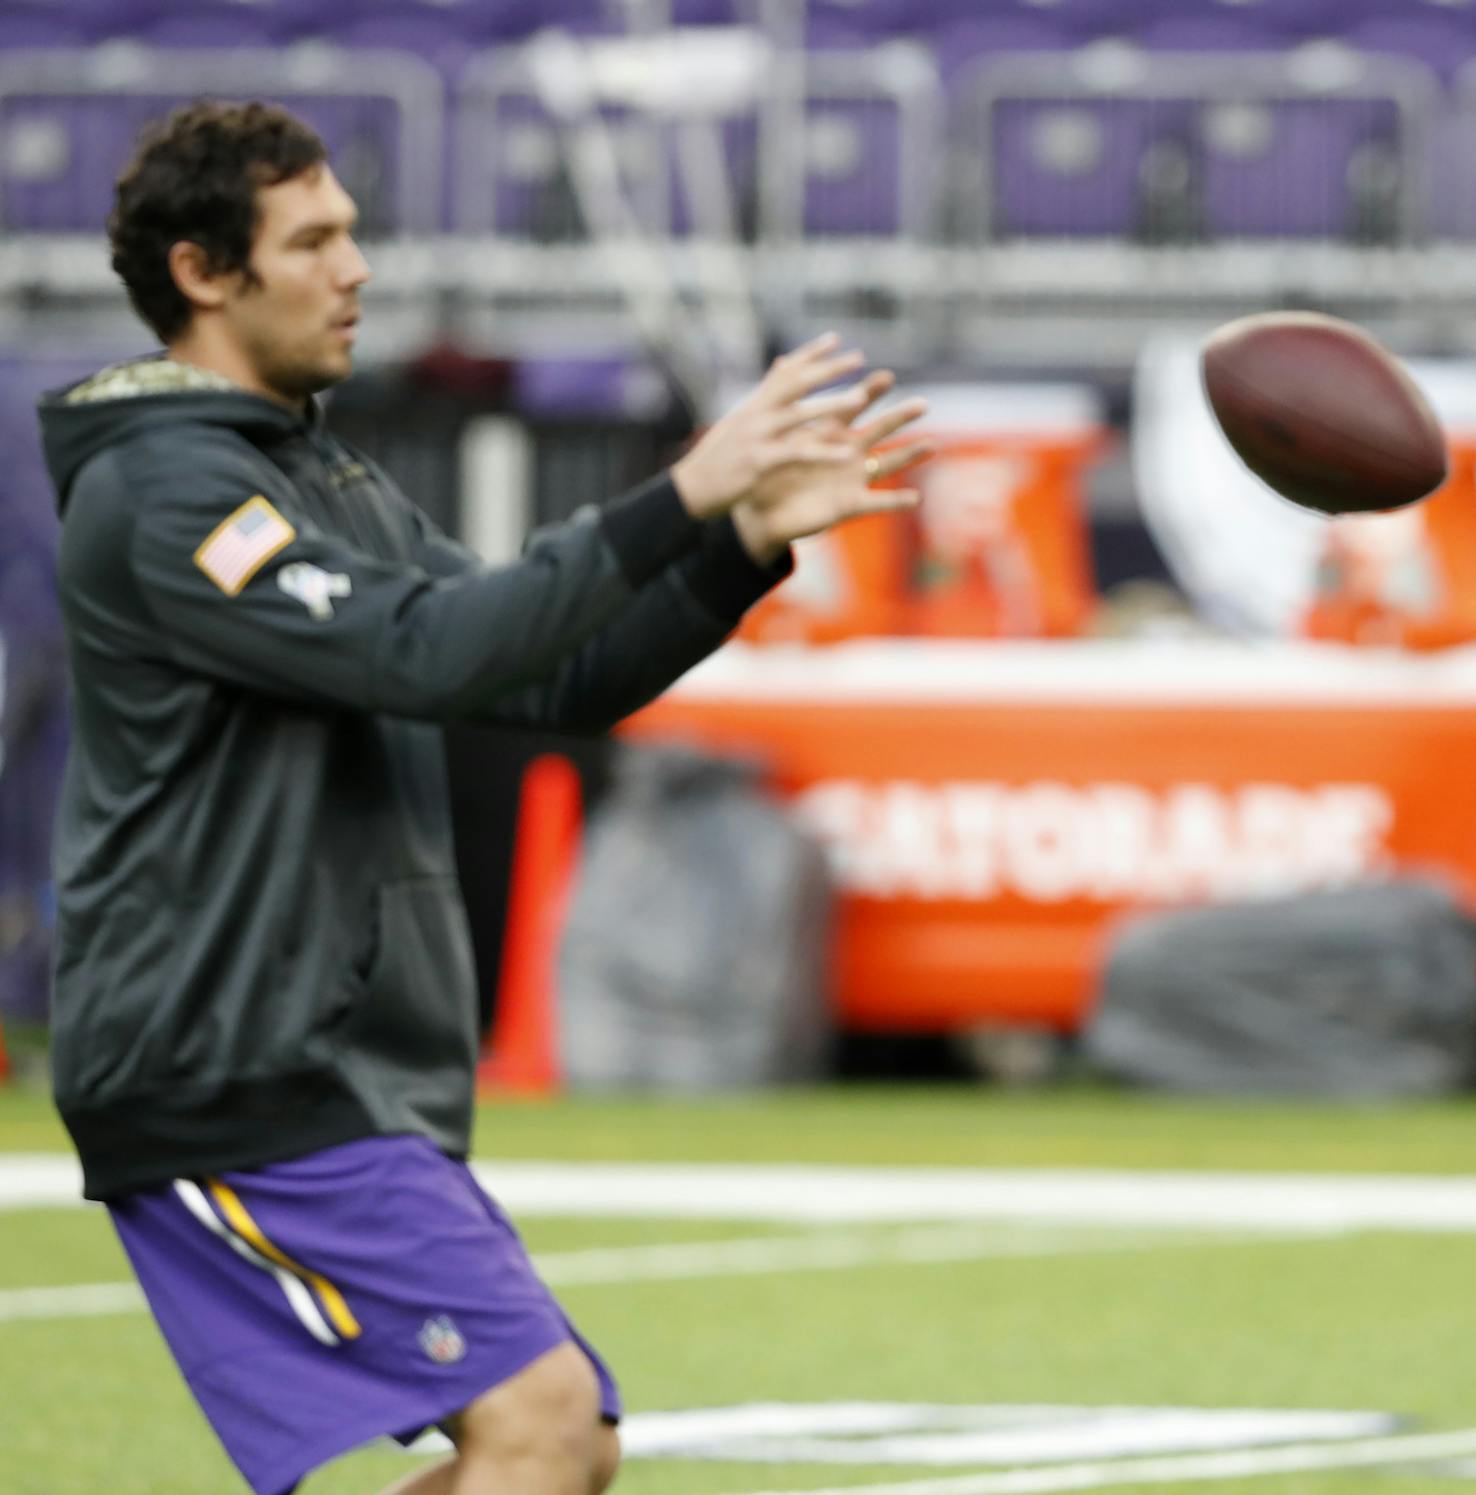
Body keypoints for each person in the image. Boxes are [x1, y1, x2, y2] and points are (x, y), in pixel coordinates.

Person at [41, 100, 929, 1495]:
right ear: (206, 274)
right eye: (315, 239)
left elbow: (539, 680)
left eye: (351, 232)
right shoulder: (168, 492)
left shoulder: (315, 474)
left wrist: (737, 544)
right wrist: (678, 488)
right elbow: (430, 648)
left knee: (566, 1440)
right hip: (225, 1059)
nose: (359, 267)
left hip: (328, 1063)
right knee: (539, 1417)